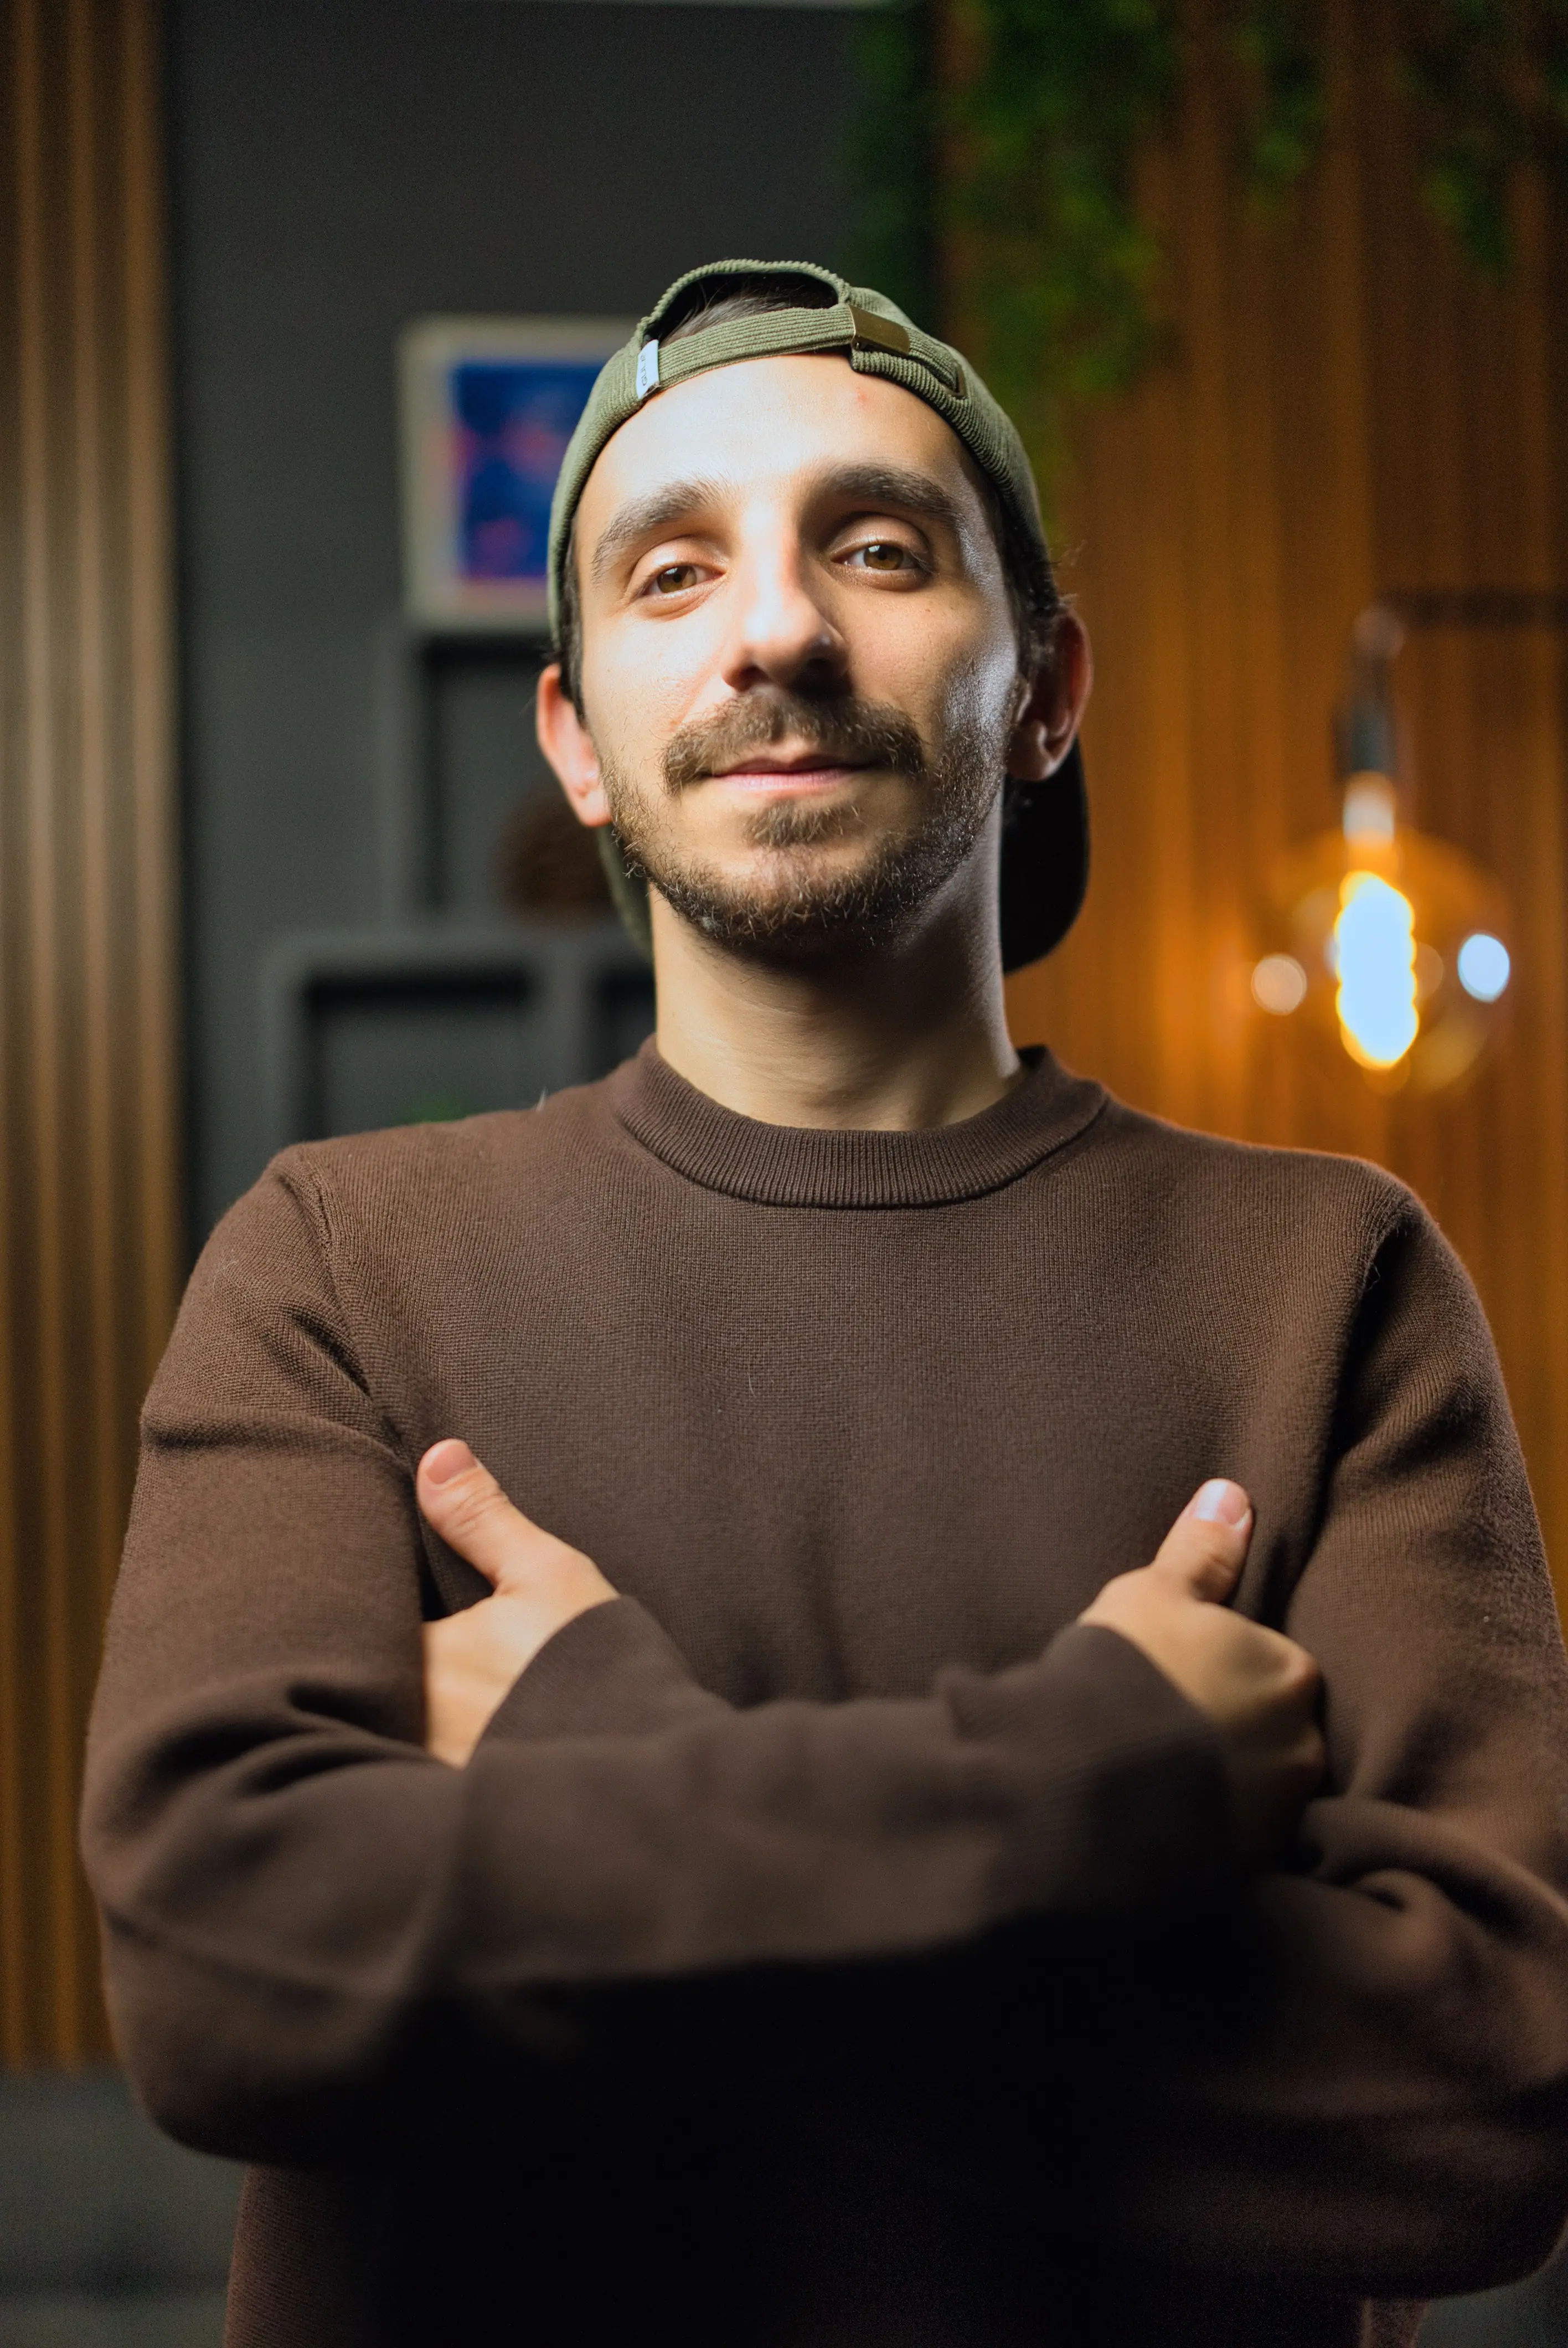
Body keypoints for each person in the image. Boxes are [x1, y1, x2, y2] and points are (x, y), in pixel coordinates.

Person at [83, 261, 1568, 2348]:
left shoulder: (1331, 1279)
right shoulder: (342, 1256)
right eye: (671, 574)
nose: (778, 628)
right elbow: (234, 1980)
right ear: (578, 734)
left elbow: (1486, 2102)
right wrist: (1086, 1787)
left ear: (1045, 688)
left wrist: (596, 1767)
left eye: (874, 549)